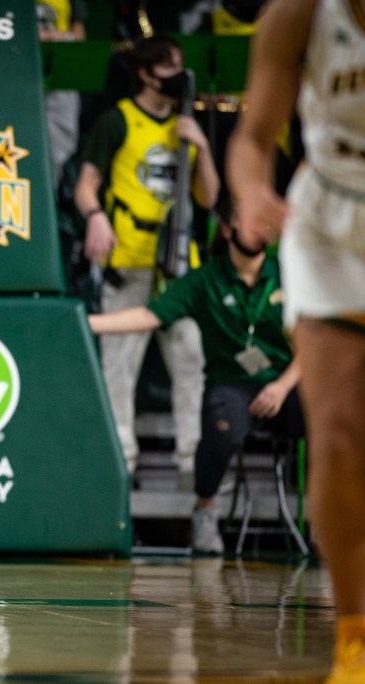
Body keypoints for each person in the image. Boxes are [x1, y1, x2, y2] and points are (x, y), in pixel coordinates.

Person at [226, 0, 365, 679]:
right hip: (331, 224)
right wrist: (253, 192)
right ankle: (354, 639)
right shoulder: (301, 12)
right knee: (337, 435)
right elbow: (253, 137)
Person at [89, 195, 303, 553]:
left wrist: (281, 387)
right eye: (246, 220)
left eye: (260, 221)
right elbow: (148, 316)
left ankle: (342, 526)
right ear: (227, 226)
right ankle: (204, 510)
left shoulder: (288, 275)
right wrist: (83, 322)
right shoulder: (205, 279)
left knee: (338, 421)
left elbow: (313, 344)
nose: (255, 228)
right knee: (219, 426)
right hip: (232, 385)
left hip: (285, 383)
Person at [74, 34, 220, 484]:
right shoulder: (118, 120)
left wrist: (202, 147)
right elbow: (85, 185)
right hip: (129, 259)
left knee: (191, 356)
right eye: (168, 69)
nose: (176, 79)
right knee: (119, 362)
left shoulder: (186, 124)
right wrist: (96, 216)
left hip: (178, 266)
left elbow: (208, 198)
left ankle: (192, 463)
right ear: (145, 73)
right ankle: (122, 461)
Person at [36, 0, 88, 189]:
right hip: (14, 73)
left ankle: (51, 197)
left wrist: (56, 36)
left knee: (58, 148)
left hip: (59, 76)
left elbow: (79, 36)